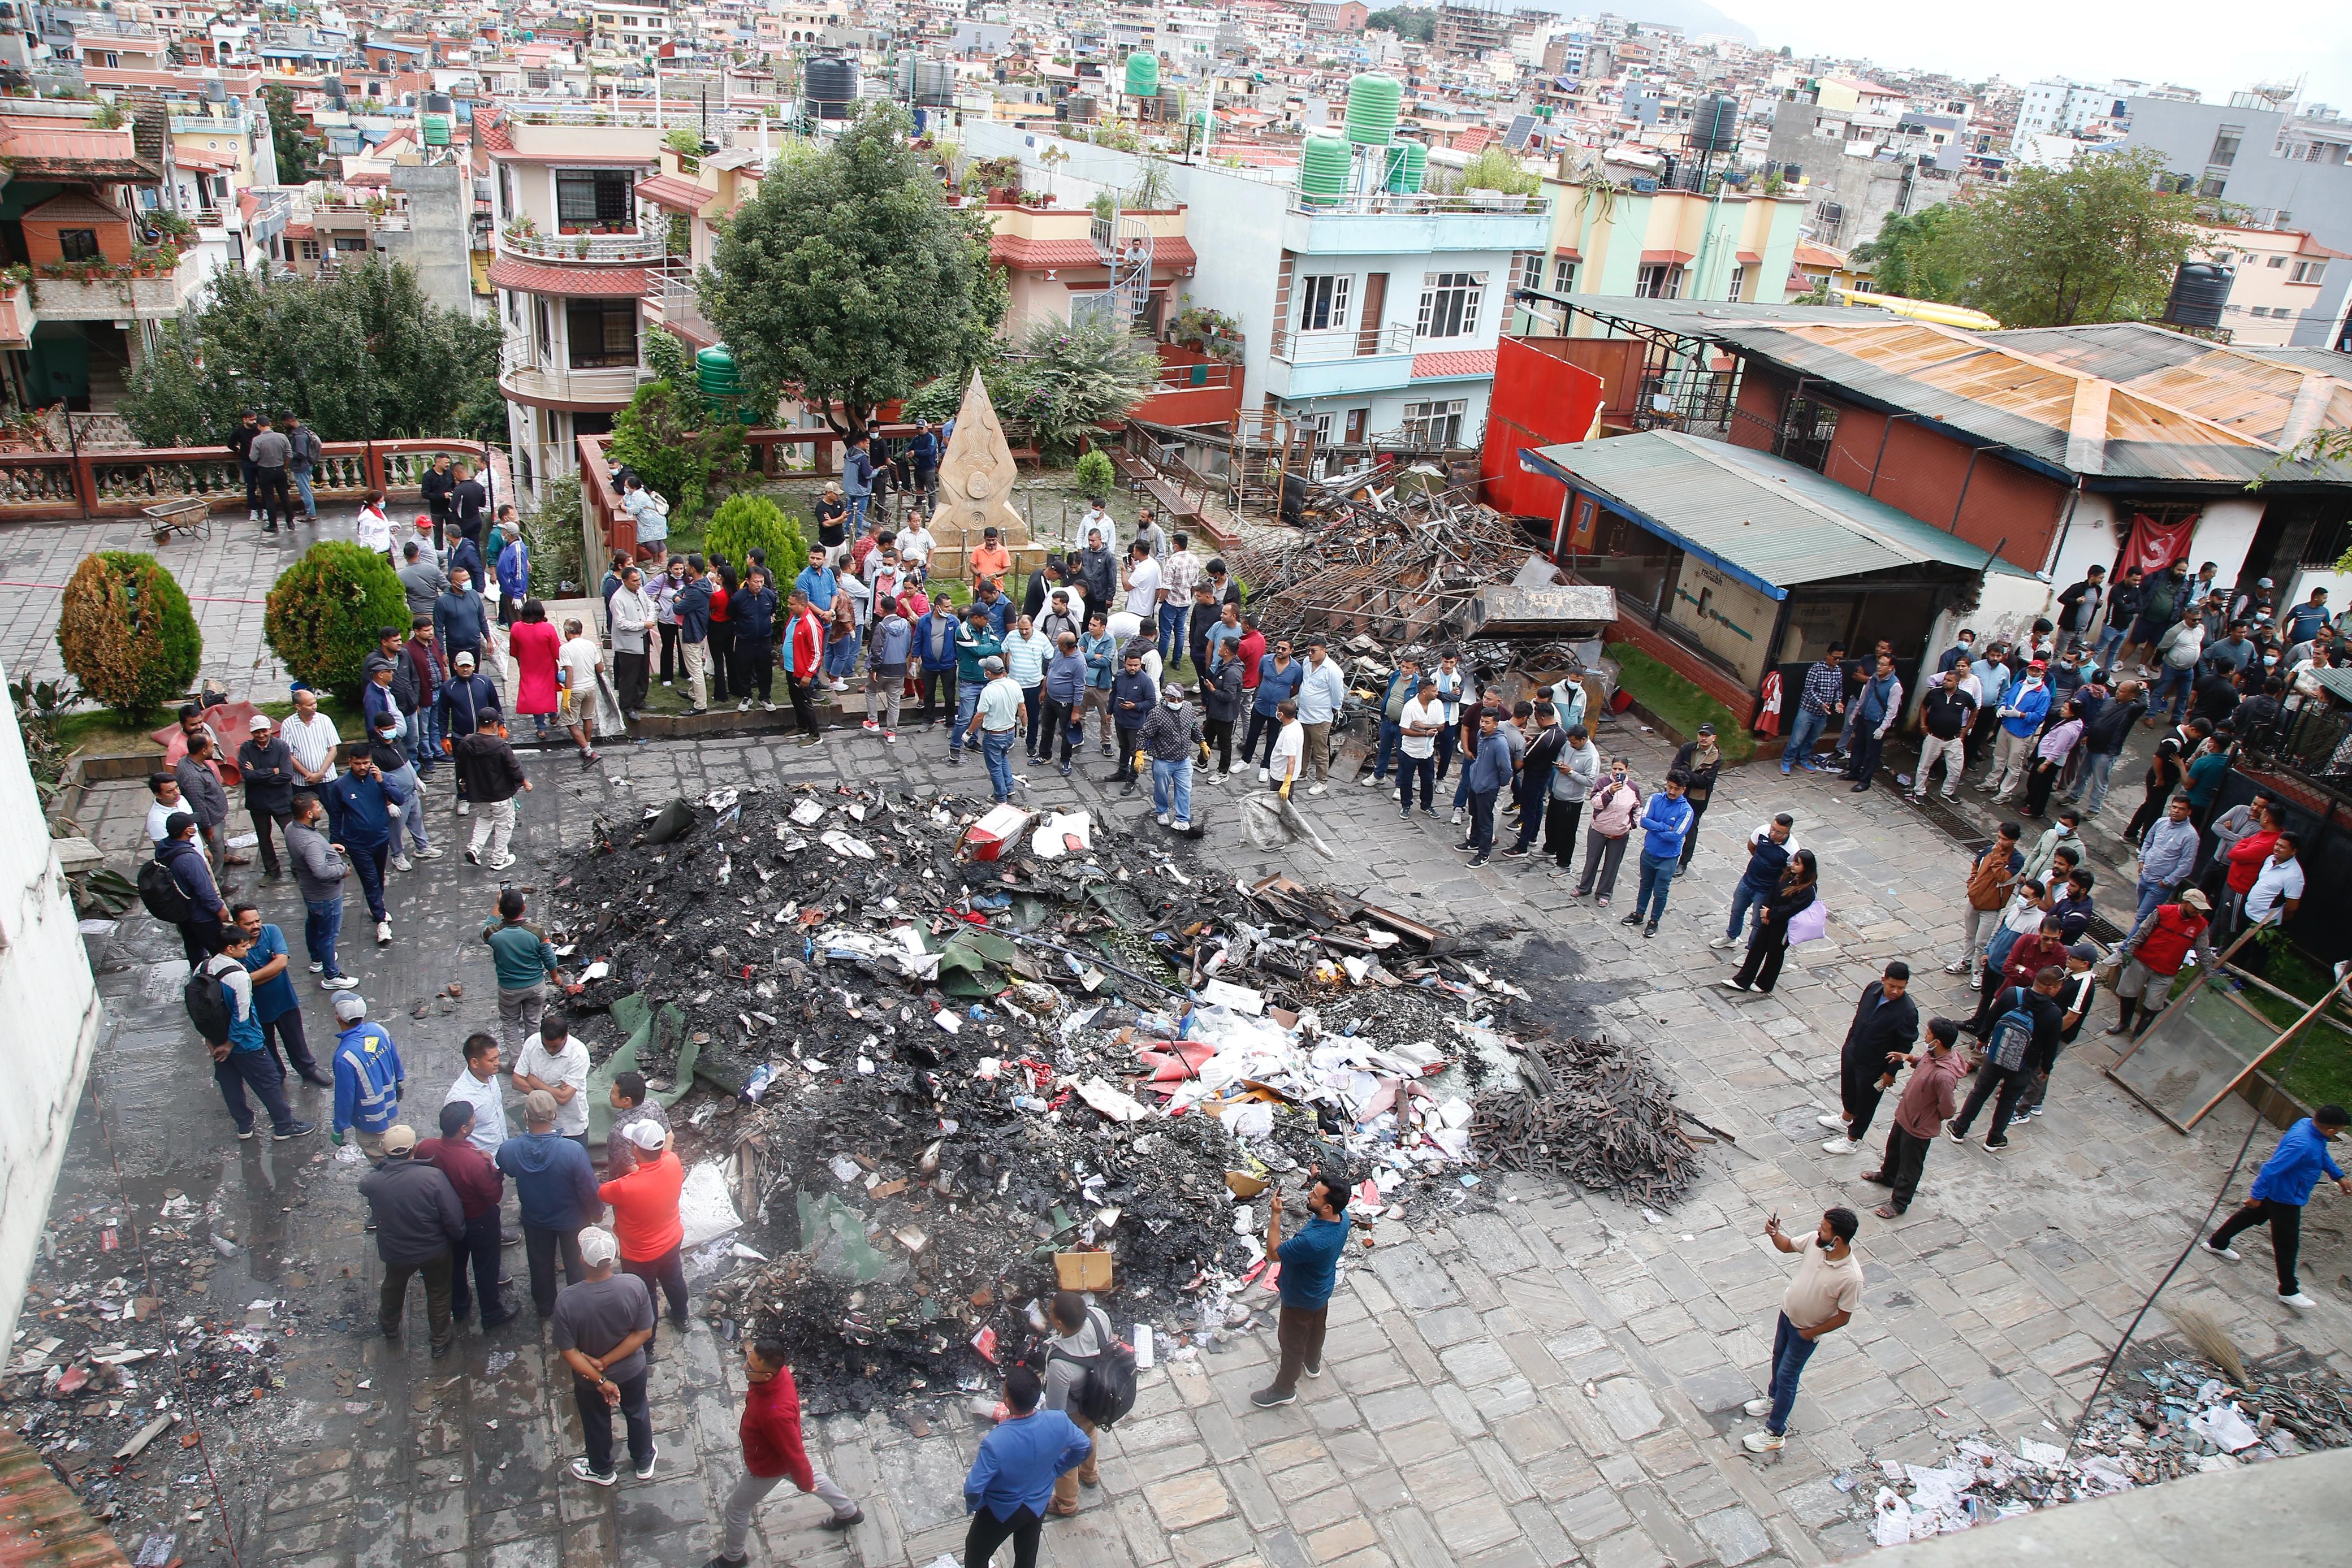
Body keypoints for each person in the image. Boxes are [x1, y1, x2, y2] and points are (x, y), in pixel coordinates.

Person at [706, 1337, 863, 1568]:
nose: (744, 1367)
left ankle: (733, 1557)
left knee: (736, 1509)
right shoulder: (780, 1375)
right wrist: (805, 1479)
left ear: (767, 1376)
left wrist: (804, 1483)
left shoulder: (774, 1413)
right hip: (776, 1455)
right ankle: (849, 1512)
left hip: (766, 1465)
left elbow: (793, 1453)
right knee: (812, 1478)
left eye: (750, 1367)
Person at [2203, 1106, 2350, 1310]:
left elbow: (2321, 1153)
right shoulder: (2302, 1145)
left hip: (2280, 1191)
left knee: (2247, 1218)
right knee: (2287, 1246)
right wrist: (2256, 1196)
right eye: (2340, 1130)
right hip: (2286, 1199)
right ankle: (2289, 1291)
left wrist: (2338, 1176)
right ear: (2331, 1130)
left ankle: (2217, 1243)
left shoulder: (2308, 1126)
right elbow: (2271, 1170)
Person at [1740, 1208, 1863, 1453]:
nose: (1819, 1230)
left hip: (1805, 1332)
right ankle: (1773, 1399)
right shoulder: (1815, 1243)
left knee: (1788, 1376)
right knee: (1778, 1359)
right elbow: (1787, 1246)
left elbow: (1844, 1317)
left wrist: (1809, 1333)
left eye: (1824, 1229)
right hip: (1787, 1316)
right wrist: (1774, 1234)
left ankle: (1774, 1432)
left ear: (1837, 1239)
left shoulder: (1852, 1278)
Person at [555, 1226, 658, 1485]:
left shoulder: (567, 1300)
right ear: (614, 1256)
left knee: (595, 1421)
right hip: (632, 1371)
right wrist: (608, 1361)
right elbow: (644, 1332)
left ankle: (602, 1470)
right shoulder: (634, 1285)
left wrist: (600, 1376)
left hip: (589, 1380)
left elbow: (568, 1350)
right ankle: (644, 1460)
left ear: (582, 1259)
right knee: (637, 1410)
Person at [961, 1365, 1091, 1568]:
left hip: (1000, 1511)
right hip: (1038, 1504)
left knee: (976, 1555)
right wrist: (1058, 1469)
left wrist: (977, 1506)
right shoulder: (1059, 1420)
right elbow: (1084, 1447)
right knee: (1027, 1554)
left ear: (1007, 1401)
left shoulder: (995, 1442)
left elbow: (973, 1489)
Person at [197, 925, 314, 1141]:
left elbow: (199, 1010)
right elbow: (242, 1016)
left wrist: (211, 1040)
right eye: (244, 946)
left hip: (217, 1039)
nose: (248, 949)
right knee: (268, 1080)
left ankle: (244, 1126)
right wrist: (231, 1044)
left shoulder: (203, 968)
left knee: (230, 1083)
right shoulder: (239, 976)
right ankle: (284, 1125)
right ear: (230, 949)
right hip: (246, 1043)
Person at [1246, 1168, 1350, 1408]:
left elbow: (1274, 1253)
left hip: (1300, 1296)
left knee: (1291, 1343)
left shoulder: (1311, 1242)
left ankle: (1284, 1390)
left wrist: (1276, 1214)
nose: (1309, 1195)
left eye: (1315, 1196)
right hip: (1321, 1287)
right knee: (1316, 1328)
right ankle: (1312, 1364)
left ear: (1327, 1208)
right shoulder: (1343, 1218)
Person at [357, 1124, 462, 1355]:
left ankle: (389, 1325)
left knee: (393, 1287)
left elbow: (365, 1186)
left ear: (385, 1151)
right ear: (414, 1149)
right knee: (439, 1293)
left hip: (396, 1251)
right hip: (434, 1250)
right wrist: (458, 1235)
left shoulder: (373, 1182)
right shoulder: (433, 1177)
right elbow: (452, 1215)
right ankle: (439, 1340)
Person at [498, 1089, 599, 1318]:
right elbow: (588, 1188)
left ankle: (545, 1306)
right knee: (576, 1263)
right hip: (572, 1219)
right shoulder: (572, 1151)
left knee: (540, 1263)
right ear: (555, 1116)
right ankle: (577, 1307)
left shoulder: (510, 1149)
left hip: (535, 1218)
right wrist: (596, 1212)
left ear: (525, 1117)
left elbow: (508, 1167)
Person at [414, 1100, 511, 1330]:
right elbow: (494, 1195)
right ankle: (491, 1312)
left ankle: (459, 1306)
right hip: (479, 1220)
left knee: (456, 1265)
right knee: (486, 1266)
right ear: (464, 1129)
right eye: (472, 1119)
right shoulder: (474, 1161)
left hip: (448, 1220)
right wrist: (492, 1167)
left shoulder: (427, 1148)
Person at [1949, 965, 2065, 1151]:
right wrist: (2046, 1069)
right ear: (2050, 988)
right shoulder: (2054, 1013)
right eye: (2059, 986)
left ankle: (1959, 1129)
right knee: (2009, 1101)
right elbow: (2051, 1047)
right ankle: (1994, 1139)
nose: (2060, 990)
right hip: (2025, 1065)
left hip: (1997, 1055)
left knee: (1979, 1093)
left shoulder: (2012, 994)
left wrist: (1982, 1040)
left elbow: (1991, 1019)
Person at [1860, 1019, 1964, 1217]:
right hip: (1906, 1114)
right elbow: (1923, 1063)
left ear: (1937, 1042)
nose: (1926, 1035)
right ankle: (1888, 1176)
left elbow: (1948, 1109)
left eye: (1929, 1033)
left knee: (1910, 1165)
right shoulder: (1933, 1055)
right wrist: (1909, 1058)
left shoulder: (1944, 1076)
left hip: (1919, 1126)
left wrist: (1928, 1116)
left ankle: (1899, 1203)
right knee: (1894, 1149)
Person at [600, 1121, 689, 1350]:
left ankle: (648, 1345)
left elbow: (602, 1192)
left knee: (645, 1296)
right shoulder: (673, 1161)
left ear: (635, 1149)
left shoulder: (625, 1187)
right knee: (674, 1279)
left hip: (639, 1254)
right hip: (671, 1239)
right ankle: (682, 1317)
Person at [1818, 963, 1919, 1152]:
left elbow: (1905, 1046)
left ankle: (1851, 1141)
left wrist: (1891, 1072)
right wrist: (1849, 1044)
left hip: (1875, 1065)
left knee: (1867, 1103)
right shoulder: (1873, 989)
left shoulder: (1907, 1012)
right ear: (1884, 980)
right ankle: (1845, 1120)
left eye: (1901, 988)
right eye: (1892, 986)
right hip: (1853, 1052)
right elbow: (1859, 1017)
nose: (1895, 991)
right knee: (1849, 1089)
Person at [231, 903, 328, 1086]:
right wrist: (272, 971)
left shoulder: (272, 932)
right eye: (248, 923)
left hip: (285, 1001)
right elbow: (236, 981)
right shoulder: (233, 947)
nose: (255, 926)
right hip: (257, 1010)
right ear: (236, 925)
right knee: (265, 1045)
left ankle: (307, 1068)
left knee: (296, 1040)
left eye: (258, 921)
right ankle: (276, 1074)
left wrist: (249, 979)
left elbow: (281, 963)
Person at [1040, 1291, 1115, 1517]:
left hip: (1074, 1411)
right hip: (1098, 1400)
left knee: (1065, 1451)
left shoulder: (1061, 1365)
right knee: (1089, 1433)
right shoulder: (1099, 1317)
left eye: (1051, 1311)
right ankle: (1090, 1474)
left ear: (1059, 1323)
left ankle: (1066, 1503)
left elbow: (1056, 1411)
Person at [322, 747, 404, 947]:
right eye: (358, 763)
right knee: (370, 881)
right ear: (350, 762)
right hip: (357, 844)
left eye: (366, 763)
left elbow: (400, 798)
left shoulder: (382, 778)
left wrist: (382, 783)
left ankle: (377, 906)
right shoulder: (341, 786)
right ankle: (381, 921)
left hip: (381, 839)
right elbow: (336, 816)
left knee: (379, 878)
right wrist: (335, 841)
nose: (362, 767)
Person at [1724, 848, 1819, 997]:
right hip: (1770, 919)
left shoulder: (1808, 889)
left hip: (1784, 926)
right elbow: (1773, 891)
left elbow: (1792, 908)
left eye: (1798, 864)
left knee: (1775, 953)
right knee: (1757, 948)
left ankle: (1765, 983)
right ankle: (1742, 980)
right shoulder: (1787, 875)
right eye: (1794, 862)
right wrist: (1766, 909)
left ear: (1806, 867)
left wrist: (1770, 913)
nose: (1793, 865)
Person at [482, 887, 563, 1056]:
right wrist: (555, 977)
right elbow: (549, 958)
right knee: (533, 1023)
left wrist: (497, 905)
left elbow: (485, 927)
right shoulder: (537, 931)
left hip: (509, 990)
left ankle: (516, 1062)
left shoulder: (493, 933)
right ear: (524, 908)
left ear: (502, 910)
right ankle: (531, 1058)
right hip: (535, 987)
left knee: (510, 1023)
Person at [453, 712, 529, 872]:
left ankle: (474, 848)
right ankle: (499, 859)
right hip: (500, 795)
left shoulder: (466, 742)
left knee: (485, 819)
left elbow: (460, 765)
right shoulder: (501, 746)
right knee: (504, 825)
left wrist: (463, 782)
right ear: (494, 724)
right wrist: (524, 783)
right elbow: (514, 769)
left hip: (479, 794)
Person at [156, 811, 232, 967]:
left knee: (194, 949)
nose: (195, 828)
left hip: (184, 913)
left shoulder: (164, 848)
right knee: (221, 953)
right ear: (187, 831)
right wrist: (219, 909)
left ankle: (198, 973)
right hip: (202, 915)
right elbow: (204, 890)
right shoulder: (189, 859)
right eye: (192, 825)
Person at [1714, 814, 1800, 951]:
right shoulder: (1762, 831)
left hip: (1765, 890)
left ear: (1787, 833)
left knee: (1757, 922)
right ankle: (1731, 937)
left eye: (1778, 832)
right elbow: (1751, 846)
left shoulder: (1792, 850)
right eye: (1773, 829)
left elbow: (1789, 872)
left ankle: (1751, 950)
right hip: (1747, 881)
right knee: (1736, 910)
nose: (1773, 833)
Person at [1949, 822, 2025, 978]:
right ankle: (1966, 962)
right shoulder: (1989, 850)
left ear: (2014, 841)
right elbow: (1976, 865)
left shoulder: (2016, 860)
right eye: (1999, 837)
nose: (2000, 842)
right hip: (1975, 900)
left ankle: (1978, 971)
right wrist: (1972, 884)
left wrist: (1997, 857)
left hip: (1991, 907)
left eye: (2005, 839)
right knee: (1970, 936)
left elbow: (2002, 877)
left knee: (1981, 942)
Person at [1624, 771, 1694, 938]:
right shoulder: (1655, 799)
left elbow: (1676, 835)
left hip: (1667, 859)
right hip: (1649, 853)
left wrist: (1655, 829)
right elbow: (1644, 821)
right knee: (1645, 885)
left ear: (1683, 790)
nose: (1672, 791)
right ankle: (1639, 914)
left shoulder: (1686, 811)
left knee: (1661, 892)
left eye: (1676, 789)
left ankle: (1654, 921)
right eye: (1670, 787)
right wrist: (1665, 827)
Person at [236, 714, 296, 881]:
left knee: (292, 835)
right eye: (257, 732)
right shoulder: (246, 748)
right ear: (251, 733)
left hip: (281, 800)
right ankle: (272, 870)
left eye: (264, 731)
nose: (261, 735)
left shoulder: (281, 746)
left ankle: (299, 867)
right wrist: (272, 771)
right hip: (258, 802)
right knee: (263, 838)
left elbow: (286, 775)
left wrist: (258, 775)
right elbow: (247, 775)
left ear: (270, 730)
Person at [1140, 683, 1203, 831]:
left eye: (1179, 699)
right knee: (1161, 789)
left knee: (1185, 790)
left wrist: (1202, 742)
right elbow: (1144, 733)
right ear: (1166, 697)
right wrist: (1139, 753)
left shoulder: (1187, 708)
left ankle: (1182, 819)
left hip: (1183, 759)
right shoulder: (1157, 713)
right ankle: (1162, 811)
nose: (1176, 702)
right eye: (1172, 699)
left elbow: (1193, 727)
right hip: (1163, 761)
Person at [1908, 666, 1977, 803]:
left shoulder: (1965, 697)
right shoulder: (1934, 693)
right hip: (1934, 737)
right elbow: (1924, 707)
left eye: (1949, 680)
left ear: (1957, 682)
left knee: (1956, 769)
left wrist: (1966, 729)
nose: (1945, 682)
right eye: (1945, 679)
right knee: (1924, 767)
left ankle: (1948, 792)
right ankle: (1919, 791)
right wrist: (1923, 725)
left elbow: (1974, 710)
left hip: (1954, 739)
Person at [1985, 660, 2051, 800]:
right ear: (2027, 670)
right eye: (2032, 670)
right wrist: (2002, 707)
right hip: (2006, 726)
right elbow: (2007, 698)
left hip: (2021, 733)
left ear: (2042, 673)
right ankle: (1991, 783)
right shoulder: (2020, 684)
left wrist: (2020, 715)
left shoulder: (2044, 694)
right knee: (1999, 757)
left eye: (2037, 671)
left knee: (2013, 765)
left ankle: (2005, 793)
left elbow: (2039, 716)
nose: (2034, 673)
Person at [175, 731, 236, 877]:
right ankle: (216, 881)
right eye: (211, 747)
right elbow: (198, 805)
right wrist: (207, 828)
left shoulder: (193, 762)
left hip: (215, 817)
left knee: (219, 847)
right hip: (211, 822)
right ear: (203, 751)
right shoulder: (193, 777)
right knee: (216, 851)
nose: (213, 749)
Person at [967, 655, 1026, 805]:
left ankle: (1000, 796)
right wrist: (1024, 726)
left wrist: (969, 733)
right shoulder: (1014, 684)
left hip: (994, 735)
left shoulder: (989, 691)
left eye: (985, 670)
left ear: (988, 673)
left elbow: (980, 716)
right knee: (1003, 758)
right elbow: (1022, 709)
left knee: (994, 766)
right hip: (1010, 732)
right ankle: (1010, 788)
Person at [1459, 708, 1512, 868]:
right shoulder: (1481, 735)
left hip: (1488, 788)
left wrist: (1497, 783)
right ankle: (1474, 842)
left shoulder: (1500, 743)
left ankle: (1484, 854)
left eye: (1487, 722)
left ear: (1496, 724)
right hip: (1475, 782)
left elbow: (1506, 769)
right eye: (1482, 721)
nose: (1483, 725)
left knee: (1485, 821)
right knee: (1474, 814)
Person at [1294, 640, 1348, 795]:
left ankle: (1321, 781)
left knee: (1320, 750)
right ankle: (1302, 772)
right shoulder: (1307, 662)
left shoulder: (1332, 670)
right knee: (1303, 746)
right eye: (1308, 650)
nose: (1310, 654)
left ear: (1324, 651)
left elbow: (1338, 694)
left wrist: (1335, 709)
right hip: (1304, 714)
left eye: (1314, 651)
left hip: (1320, 718)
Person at [1247, 638, 1303, 781]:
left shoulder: (1296, 668)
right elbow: (1260, 677)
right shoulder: (1265, 660)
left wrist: (1283, 696)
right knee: (1252, 734)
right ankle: (1245, 760)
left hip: (1278, 710)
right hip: (1261, 704)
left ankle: (1265, 766)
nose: (1280, 651)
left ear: (1291, 651)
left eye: (1284, 649)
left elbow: (1295, 688)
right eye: (1278, 648)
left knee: (1272, 738)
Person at [446, 1032, 509, 1158]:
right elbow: (455, 1139)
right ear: (475, 1063)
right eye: (492, 1060)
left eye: (497, 1057)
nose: (497, 1063)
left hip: (502, 1151)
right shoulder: (460, 1098)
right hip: (482, 1160)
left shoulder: (490, 1075)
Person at [1394, 676, 1449, 822]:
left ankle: (1427, 805)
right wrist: (1425, 734)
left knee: (1428, 780)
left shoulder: (1437, 704)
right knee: (1406, 780)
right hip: (1410, 751)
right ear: (1425, 692)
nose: (1437, 693)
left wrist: (1425, 727)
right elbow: (1404, 730)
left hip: (1427, 751)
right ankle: (1406, 805)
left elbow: (1441, 726)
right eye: (1434, 691)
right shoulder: (1410, 707)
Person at [862, 594, 914, 742]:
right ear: (897, 609)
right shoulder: (906, 624)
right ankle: (892, 732)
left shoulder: (882, 627)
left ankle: (873, 721)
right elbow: (908, 646)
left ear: (882, 610)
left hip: (883, 669)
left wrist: (874, 668)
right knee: (894, 700)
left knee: (870, 690)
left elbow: (876, 649)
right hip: (900, 668)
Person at [555, 616, 605, 765]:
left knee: (570, 722)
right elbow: (600, 668)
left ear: (567, 632)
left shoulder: (565, 649)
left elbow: (569, 674)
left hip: (576, 690)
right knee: (587, 718)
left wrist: (567, 695)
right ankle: (587, 746)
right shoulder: (591, 645)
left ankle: (589, 752)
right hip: (591, 687)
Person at [433, 566, 493, 690]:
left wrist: (489, 639)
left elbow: (482, 619)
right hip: (456, 648)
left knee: (474, 679)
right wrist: (442, 653)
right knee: (459, 682)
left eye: (468, 578)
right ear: (454, 583)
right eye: (464, 580)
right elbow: (438, 629)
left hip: (475, 646)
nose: (468, 582)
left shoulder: (474, 595)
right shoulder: (443, 602)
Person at [604, 1072, 671, 1179]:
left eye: (613, 1092)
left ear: (627, 1100)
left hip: (629, 1182)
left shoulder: (619, 1131)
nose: (610, 1095)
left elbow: (629, 1167)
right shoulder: (654, 1105)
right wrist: (661, 1167)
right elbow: (669, 1136)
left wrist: (653, 1178)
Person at [608, 566, 655, 716]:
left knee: (643, 672)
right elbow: (621, 623)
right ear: (625, 581)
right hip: (628, 643)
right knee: (629, 676)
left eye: (639, 580)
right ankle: (627, 706)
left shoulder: (640, 591)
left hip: (644, 638)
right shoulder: (618, 599)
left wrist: (650, 619)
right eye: (634, 581)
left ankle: (640, 701)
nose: (638, 583)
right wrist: (643, 625)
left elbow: (650, 606)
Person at [1197, 631, 1243, 783]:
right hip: (1215, 711)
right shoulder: (1223, 664)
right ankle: (1202, 762)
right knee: (1207, 737)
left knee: (1225, 744)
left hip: (1225, 715)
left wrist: (1213, 690)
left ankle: (1223, 772)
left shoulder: (1233, 672)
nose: (1218, 648)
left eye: (1221, 646)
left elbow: (1230, 697)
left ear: (1227, 651)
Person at [1108, 647, 1156, 789]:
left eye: (1136, 665)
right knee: (1123, 746)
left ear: (1141, 664)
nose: (1133, 668)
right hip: (1120, 719)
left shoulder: (1146, 681)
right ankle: (1122, 771)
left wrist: (1135, 706)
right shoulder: (1120, 675)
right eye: (1130, 665)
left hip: (1135, 723)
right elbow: (1113, 694)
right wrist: (1109, 712)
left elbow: (1151, 702)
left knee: (1135, 751)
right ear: (1125, 663)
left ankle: (1132, 779)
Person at [248, 414, 293, 532]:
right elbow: (289, 455)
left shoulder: (257, 440)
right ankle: (290, 522)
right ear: (270, 424)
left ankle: (273, 525)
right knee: (284, 496)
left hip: (265, 471)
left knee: (269, 498)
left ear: (259, 426)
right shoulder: (282, 437)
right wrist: (284, 466)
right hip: (279, 469)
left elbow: (253, 458)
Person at [1267, 699, 1305, 800]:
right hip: (1282, 773)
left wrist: (1286, 783)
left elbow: (1292, 760)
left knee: (1281, 803)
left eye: (1277, 710)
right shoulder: (1296, 724)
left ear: (1281, 714)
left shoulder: (1289, 735)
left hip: (1281, 776)